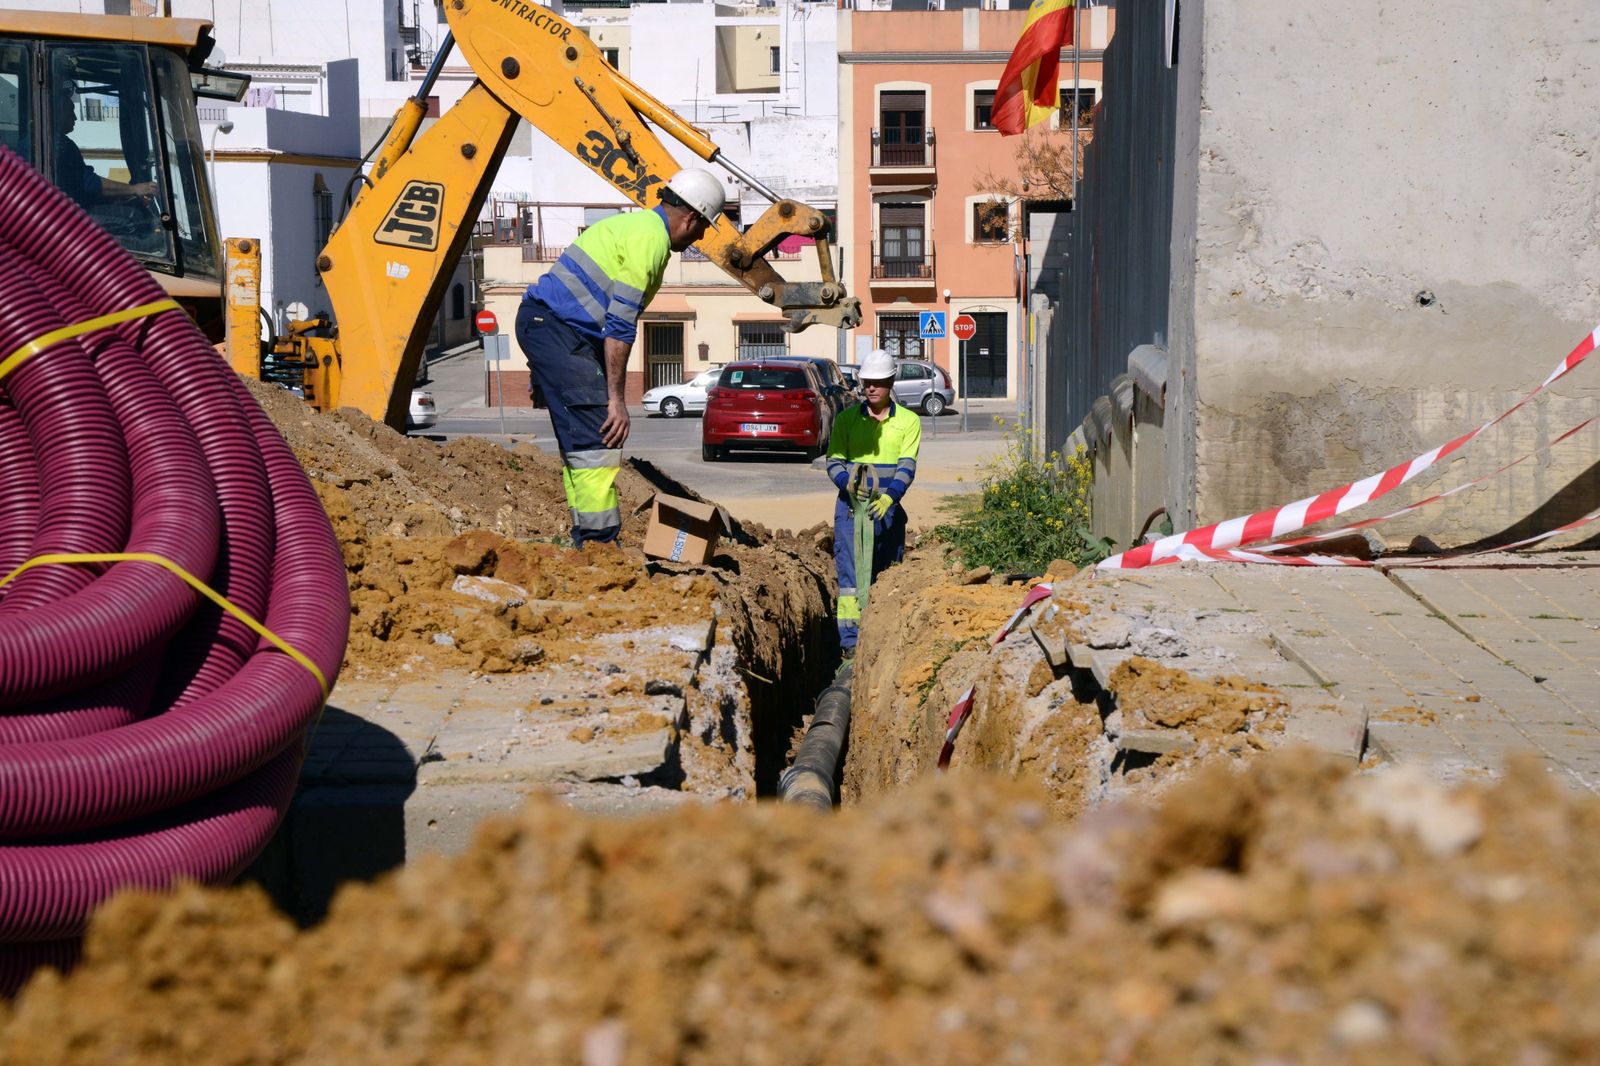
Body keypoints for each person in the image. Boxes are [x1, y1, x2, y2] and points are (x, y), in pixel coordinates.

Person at [515, 168, 723, 544]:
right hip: (558, 329)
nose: (702, 236)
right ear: (690, 217)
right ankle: (599, 545)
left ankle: (588, 541)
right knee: (599, 437)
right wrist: (617, 399)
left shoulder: (639, 227)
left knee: (582, 444)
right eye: (703, 226)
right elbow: (620, 325)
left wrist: (542, 368)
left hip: (552, 327)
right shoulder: (651, 241)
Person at [824, 349, 921, 653]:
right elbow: (834, 461)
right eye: (867, 382)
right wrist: (848, 484)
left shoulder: (908, 421)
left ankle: (882, 643)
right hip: (851, 510)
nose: (871, 388)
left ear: (891, 381)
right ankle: (851, 645)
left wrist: (890, 498)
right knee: (851, 579)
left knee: (887, 575)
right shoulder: (846, 420)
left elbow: (907, 466)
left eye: (878, 382)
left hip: (887, 509)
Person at [52, 84, 158, 209]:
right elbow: (89, 184)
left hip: (79, 206)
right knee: (133, 219)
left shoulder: (64, 143)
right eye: (70, 111)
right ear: (58, 113)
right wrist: (134, 189)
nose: (75, 117)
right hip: (72, 213)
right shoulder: (59, 146)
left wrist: (123, 196)